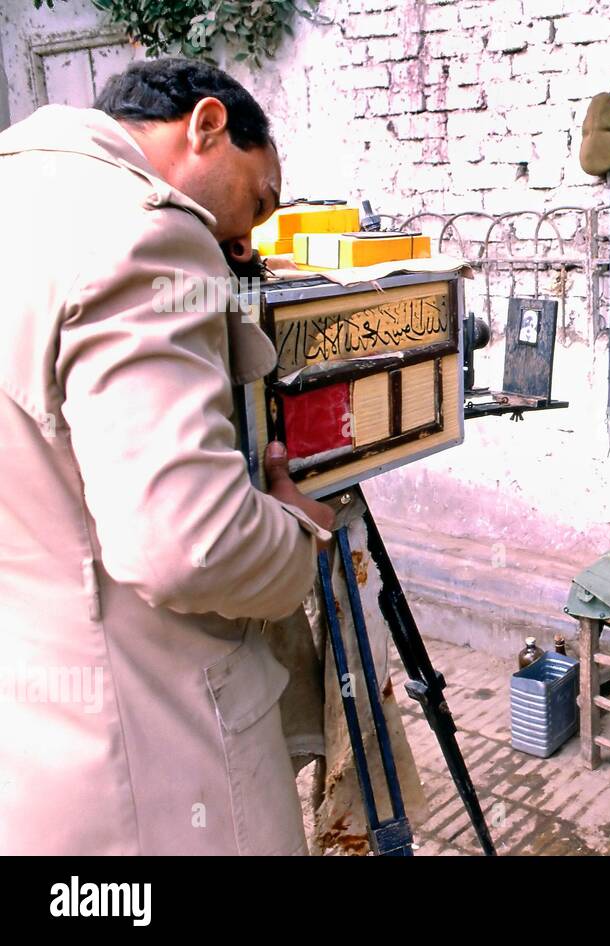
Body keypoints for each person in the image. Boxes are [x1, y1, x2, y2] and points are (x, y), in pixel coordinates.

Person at [0, 58, 335, 854]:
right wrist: (295, 537)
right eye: (260, 200)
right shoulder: (145, 229)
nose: (249, 239)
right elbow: (190, 544)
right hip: (160, 767)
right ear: (208, 127)